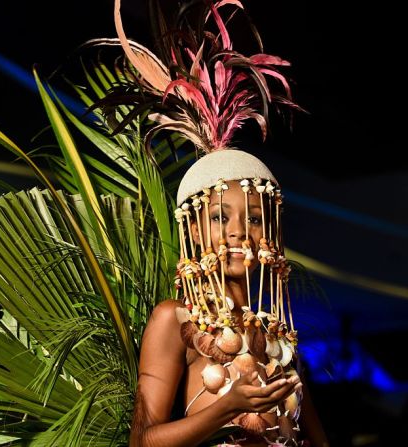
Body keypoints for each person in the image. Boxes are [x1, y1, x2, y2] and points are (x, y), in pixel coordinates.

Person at [103, 0, 330, 445]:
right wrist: (226, 408)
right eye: (219, 216)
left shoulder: (277, 330)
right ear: (194, 229)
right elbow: (142, 441)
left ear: (273, 234)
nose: (237, 231)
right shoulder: (175, 319)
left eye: (255, 217)